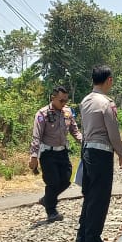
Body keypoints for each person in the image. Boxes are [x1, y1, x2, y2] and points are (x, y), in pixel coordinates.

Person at [75, 66, 122, 242]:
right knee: (100, 198)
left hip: (87, 151)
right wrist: (121, 153)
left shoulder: (85, 101)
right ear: (109, 80)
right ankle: (93, 240)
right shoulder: (106, 103)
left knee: (90, 196)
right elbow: (113, 133)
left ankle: (82, 238)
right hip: (101, 154)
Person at [28, 86, 82, 222]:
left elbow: (74, 131)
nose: (63, 103)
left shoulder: (68, 112)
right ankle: (51, 211)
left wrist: (84, 142)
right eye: (61, 101)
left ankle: (47, 199)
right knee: (53, 182)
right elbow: (36, 136)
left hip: (62, 152)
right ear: (53, 98)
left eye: (65, 100)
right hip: (48, 154)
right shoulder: (42, 114)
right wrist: (34, 155)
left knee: (66, 180)